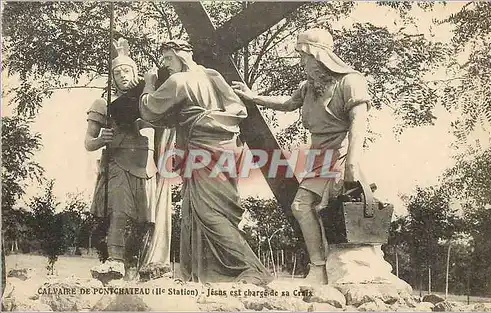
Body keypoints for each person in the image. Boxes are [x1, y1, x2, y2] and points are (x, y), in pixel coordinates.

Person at [231, 28, 371, 285]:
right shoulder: (308, 88)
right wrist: (253, 97)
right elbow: (286, 103)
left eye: (304, 56)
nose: (302, 62)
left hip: (339, 156)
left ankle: (334, 268)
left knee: (322, 209)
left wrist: (352, 161)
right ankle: (319, 267)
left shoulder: (351, 81)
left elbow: (358, 123)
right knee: (303, 207)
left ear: (318, 55)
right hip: (318, 158)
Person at [139, 40, 272, 285]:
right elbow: (237, 109)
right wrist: (206, 119)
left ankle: (252, 268)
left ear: (181, 56)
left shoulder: (179, 81)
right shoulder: (212, 76)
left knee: (209, 212)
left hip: (205, 149)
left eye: (168, 58)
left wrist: (148, 84)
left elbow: (149, 110)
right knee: (196, 210)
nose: (165, 64)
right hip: (221, 148)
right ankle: (203, 273)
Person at [85, 38, 157, 279]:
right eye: (117, 72)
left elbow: (154, 120)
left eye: (127, 70)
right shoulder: (103, 104)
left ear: (135, 73)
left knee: (144, 219)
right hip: (117, 162)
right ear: (112, 78)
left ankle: (134, 264)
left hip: (143, 164)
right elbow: (88, 143)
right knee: (119, 211)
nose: (122, 75)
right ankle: (114, 260)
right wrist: (101, 139)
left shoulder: (144, 99)